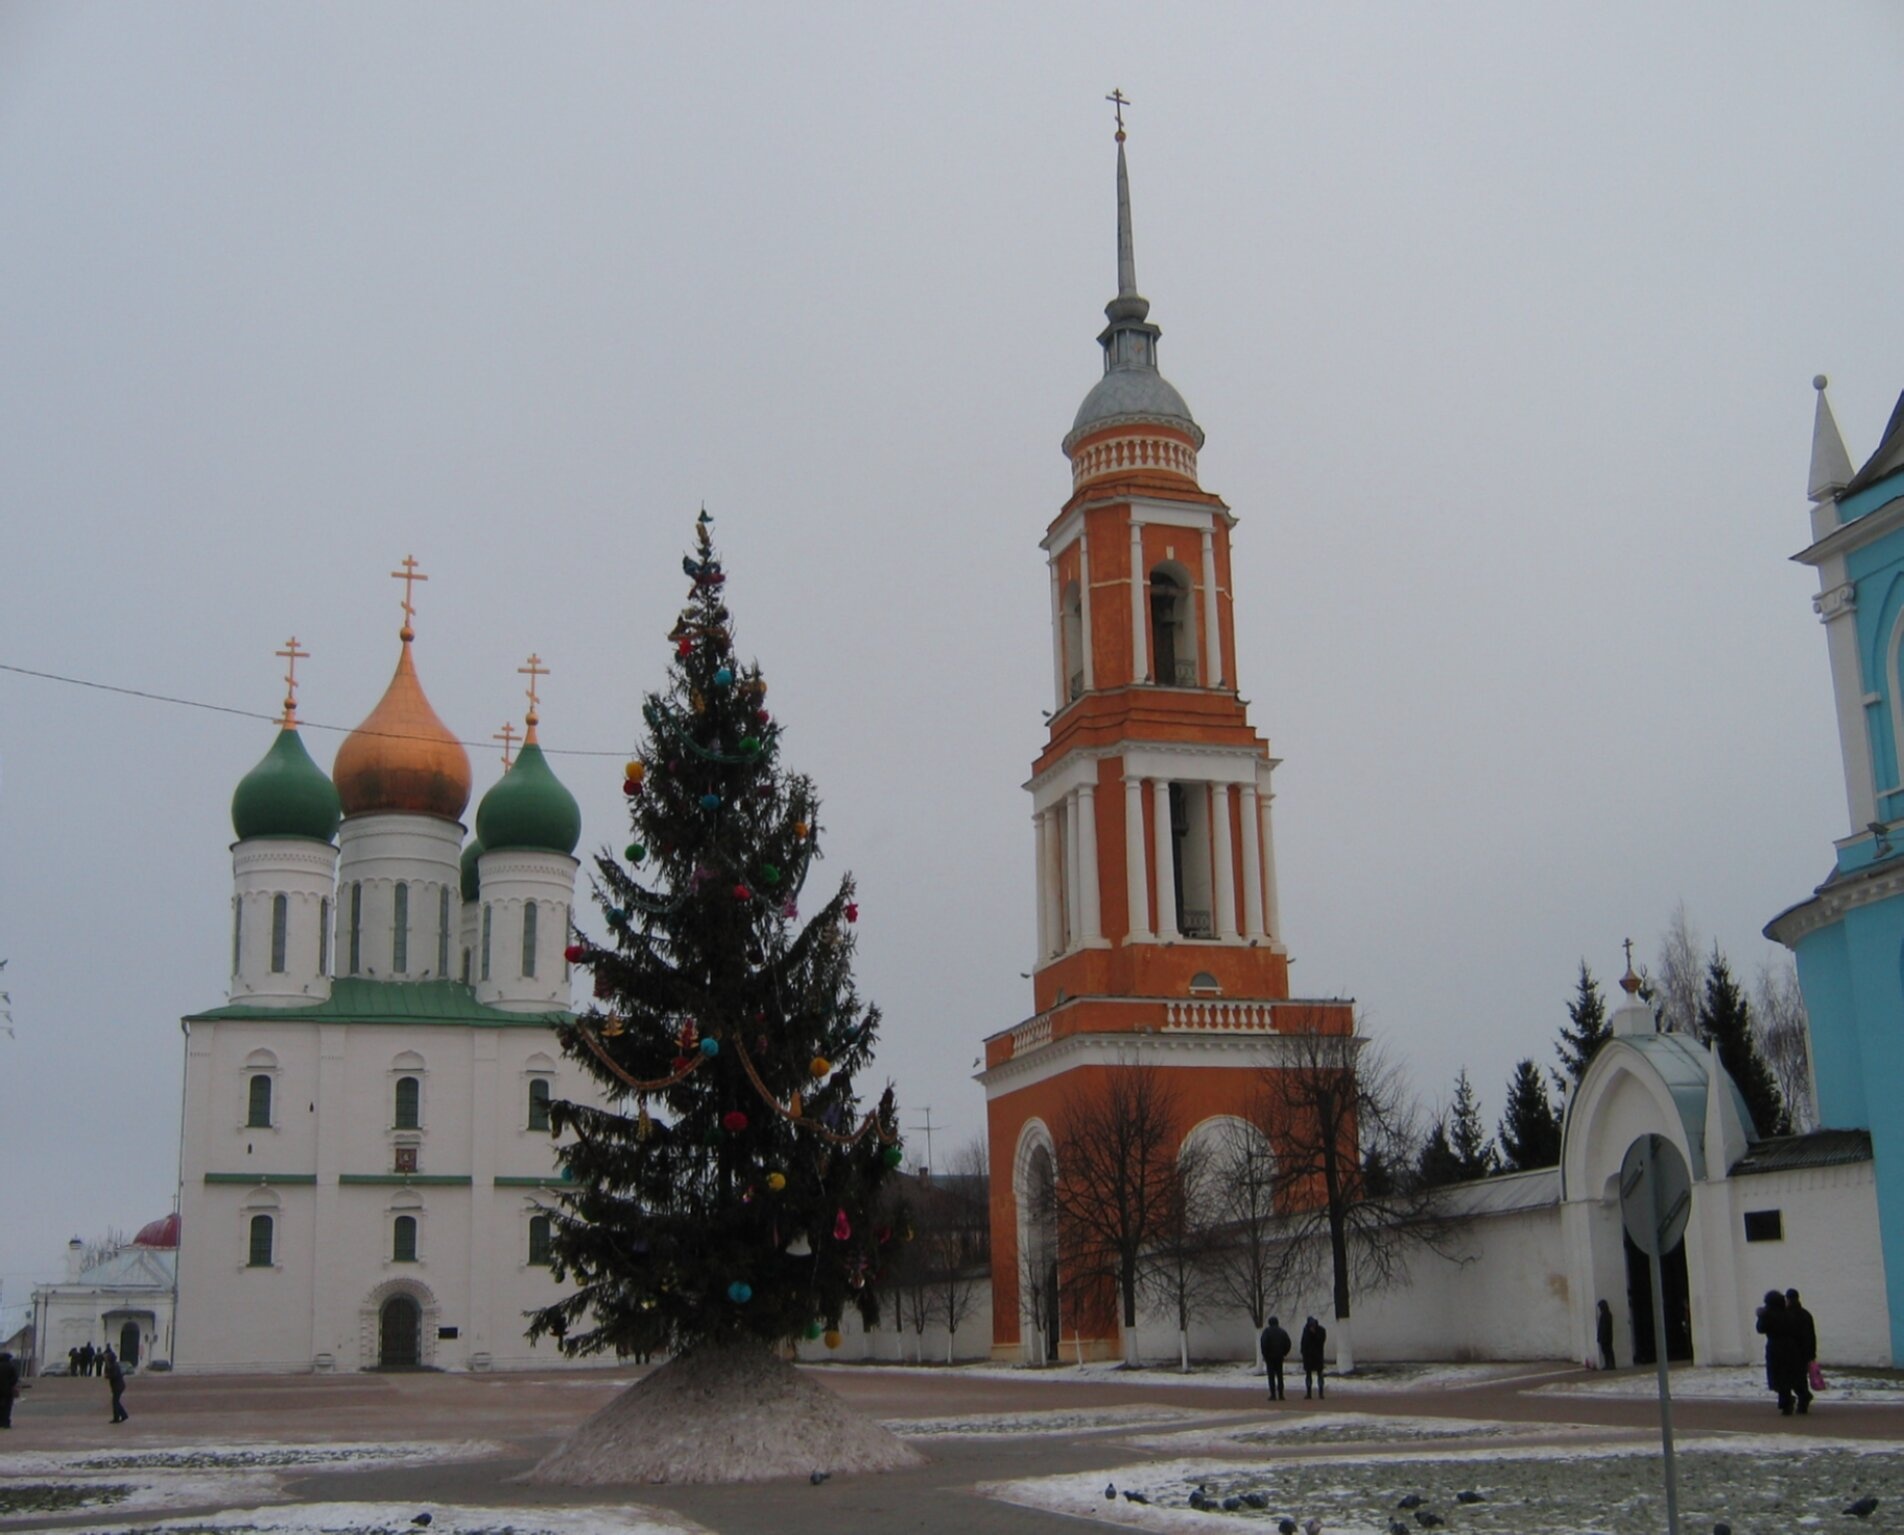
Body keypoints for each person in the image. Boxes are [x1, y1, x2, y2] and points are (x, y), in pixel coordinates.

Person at [1756, 1290, 1803, 1416]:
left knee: (1777, 1375)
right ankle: (1786, 1400)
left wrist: (1760, 1316)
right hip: (1790, 1347)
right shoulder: (1788, 1314)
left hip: (1775, 1347)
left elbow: (1760, 1329)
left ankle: (1785, 1401)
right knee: (1787, 1374)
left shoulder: (1768, 1315)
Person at [1786, 1288, 1818, 1413]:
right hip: (1804, 1352)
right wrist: (1812, 1353)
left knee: (1791, 1378)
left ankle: (1803, 1397)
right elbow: (1811, 1335)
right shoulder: (1806, 1314)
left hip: (1791, 1352)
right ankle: (1803, 1402)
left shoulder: (1787, 1315)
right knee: (1801, 1377)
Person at [1260, 1315, 1292, 1402]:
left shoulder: (1266, 1332)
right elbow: (1288, 1343)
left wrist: (1265, 1354)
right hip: (1279, 1357)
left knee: (1271, 1376)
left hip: (1270, 1358)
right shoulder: (1282, 1332)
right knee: (1280, 1375)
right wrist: (1284, 1353)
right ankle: (1281, 1394)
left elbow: (1263, 1344)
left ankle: (1273, 1395)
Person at [1300, 1316, 1328, 1399]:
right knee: (1308, 1375)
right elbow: (1303, 1342)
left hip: (1317, 1356)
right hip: (1308, 1356)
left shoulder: (1321, 1330)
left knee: (1320, 1374)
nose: (1312, 1326)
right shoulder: (1306, 1330)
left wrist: (1314, 1334)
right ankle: (1309, 1393)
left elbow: (1321, 1341)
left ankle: (1321, 1393)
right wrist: (1303, 1352)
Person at [102, 1345, 127, 1423]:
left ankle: (117, 1417)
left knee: (115, 1402)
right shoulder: (113, 1365)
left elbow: (114, 1375)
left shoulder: (114, 1366)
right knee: (116, 1401)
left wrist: (108, 1376)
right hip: (118, 1386)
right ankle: (123, 1415)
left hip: (118, 1386)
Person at [1596, 1299, 1615, 1370]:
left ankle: (1610, 1364)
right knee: (1606, 1351)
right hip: (1605, 1337)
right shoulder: (1605, 1314)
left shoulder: (1606, 1315)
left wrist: (1601, 1336)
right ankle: (1608, 1364)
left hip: (1606, 1337)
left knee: (1608, 1351)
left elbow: (1604, 1327)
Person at [0, 1351, 18, 1428]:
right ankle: (5, 1423)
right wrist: (11, 1384)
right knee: (7, 1407)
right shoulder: (11, 1366)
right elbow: (15, 1378)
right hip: (7, 1390)